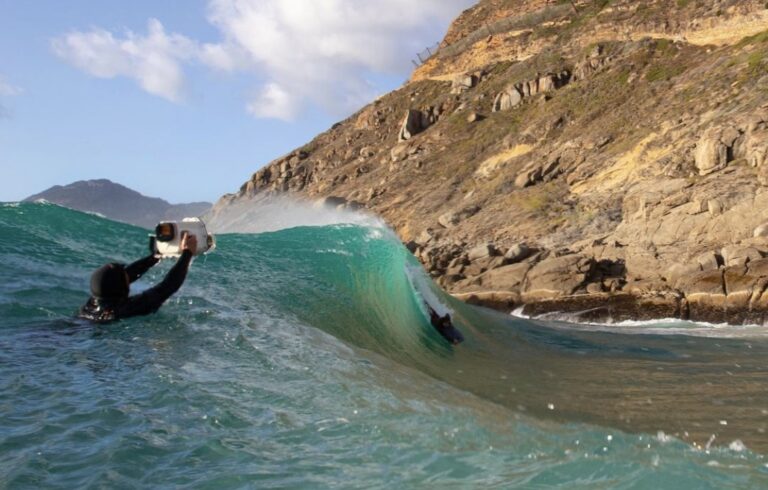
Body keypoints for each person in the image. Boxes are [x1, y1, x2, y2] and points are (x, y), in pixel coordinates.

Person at [79, 234, 197, 323]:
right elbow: (168, 287)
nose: (128, 276)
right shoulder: (126, 309)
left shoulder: (92, 303)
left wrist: (153, 258)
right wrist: (187, 253)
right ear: (121, 288)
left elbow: (124, 278)